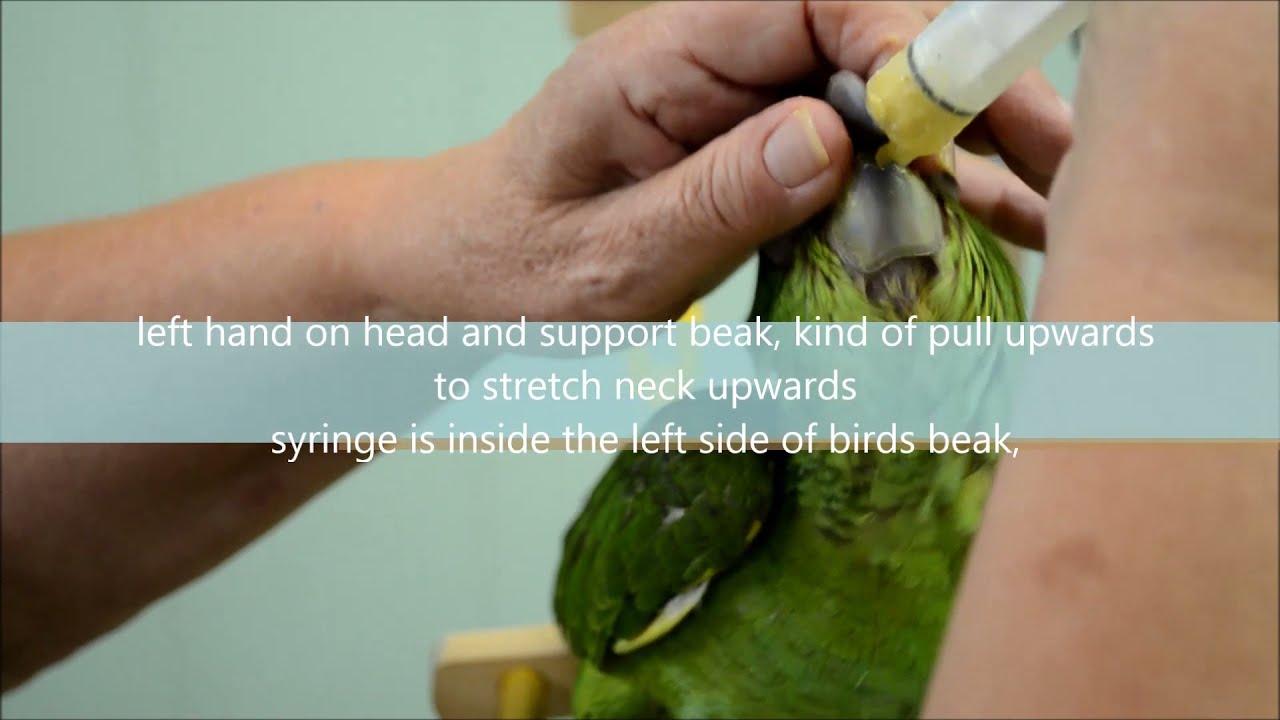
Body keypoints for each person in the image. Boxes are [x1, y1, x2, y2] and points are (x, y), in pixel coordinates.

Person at [1, 1, 1275, 716]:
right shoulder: (721, 474)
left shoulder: (1063, 445)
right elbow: (595, 638)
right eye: (796, 260)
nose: (887, 230)